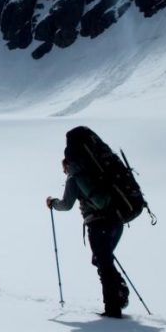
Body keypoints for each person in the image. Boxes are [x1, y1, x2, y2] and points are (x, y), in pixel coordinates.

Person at [46, 126, 129, 318]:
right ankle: (118, 294)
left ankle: (113, 307)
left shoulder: (74, 178)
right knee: (102, 260)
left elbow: (66, 204)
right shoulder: (97, 170)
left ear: (68, 164)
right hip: (117, 220)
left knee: (103, 262)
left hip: (98, 224)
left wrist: (52, 203)